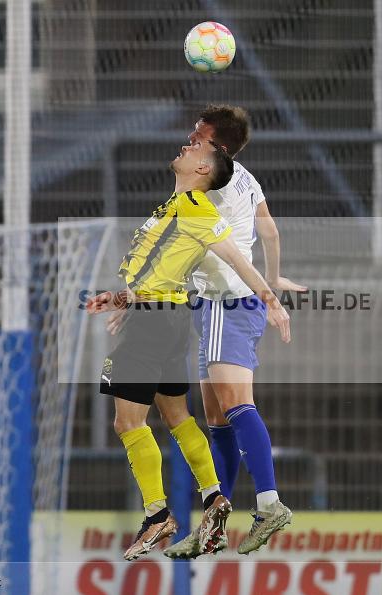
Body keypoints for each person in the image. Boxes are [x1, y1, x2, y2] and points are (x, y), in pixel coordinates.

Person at [86, 137, 291, 561]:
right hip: (167, 315)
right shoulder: (175, 206)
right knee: (179, 417)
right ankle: (215, 498)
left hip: (156, 324)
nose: (187, 146)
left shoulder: (197, 208)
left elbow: (235, 258)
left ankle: (157, 514)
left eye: (197, 148)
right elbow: (165, 269)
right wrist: (124, 298)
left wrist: (270, 298)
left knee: (128, 424)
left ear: (202, 171)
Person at [148, 104, 305, 558]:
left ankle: (270, 503)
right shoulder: (245, 178)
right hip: (229, 303)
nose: (189, 140)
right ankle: (214, 524)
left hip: (224, 302)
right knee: (217, 420)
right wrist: (273, 279)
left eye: (197, 136)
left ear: (214, 150)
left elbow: (205, 248)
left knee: (236, 406)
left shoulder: (206, 189)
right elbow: (269, 232)